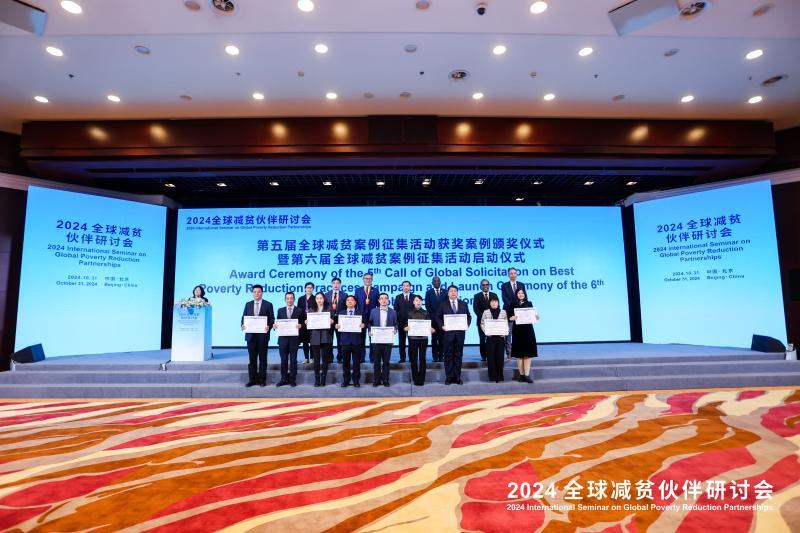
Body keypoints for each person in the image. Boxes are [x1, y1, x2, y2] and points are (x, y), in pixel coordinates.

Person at [240, 284, 274, 387]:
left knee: (263, 360)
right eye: (254, 292)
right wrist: (242, 325)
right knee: (252, 360)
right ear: (252, 293)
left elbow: (272, 318)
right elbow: (243, 318)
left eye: (259, 292)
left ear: (262, 293)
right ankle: (252, 380)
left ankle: (262, 380)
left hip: (263, 337)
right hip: (251, 337)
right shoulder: (248, 304)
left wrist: (269, 326)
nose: (256, 294)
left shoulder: (268, 304)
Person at [437, 285, 471, 385]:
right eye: (451, 291)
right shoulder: (442, 304)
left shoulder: (463, 304)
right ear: (448, 293)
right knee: (448, 356)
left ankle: (457, 377)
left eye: (455, 291)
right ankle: (449, 377)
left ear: (457, 293)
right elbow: (437, 317)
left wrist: (466, 324)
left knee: (458, 356)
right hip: (447, 334)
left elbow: (469, 317)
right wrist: (442, 326)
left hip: (460, 334)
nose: (453, 292)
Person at [507, 287, 539, 383]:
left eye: (522, 293)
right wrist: (511, 318)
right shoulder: (512, 304)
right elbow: (508, 317)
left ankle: (527, 375)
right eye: (519, 293)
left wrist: (536, 317)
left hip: (528, 330)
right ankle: (521, 375)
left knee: (527, 354)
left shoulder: (529, 303)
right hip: (517, 331)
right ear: (516, 294)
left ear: (525, 294)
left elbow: (534, 316)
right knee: (519, 354)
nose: (521, 294)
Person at [273, 291, 303, 387]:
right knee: (283, 360)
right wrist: (275, 326)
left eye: (291, 298)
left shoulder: (299, 310)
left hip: (294, 340)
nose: (289, 300)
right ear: (285, 300)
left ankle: (292, 379)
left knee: (293, 360)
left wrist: (301, 325)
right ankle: (283, 378)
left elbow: (303, 323)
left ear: (294, 299)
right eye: (287, 298)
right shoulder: (280, 310)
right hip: (283, 340)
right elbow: (277, 322)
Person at [306, 291, 335, 387]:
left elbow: (334, 322)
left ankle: (323, 378)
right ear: (315, 299)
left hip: (326, 337)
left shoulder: (329, 309)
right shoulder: (311, 310)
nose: (319, 300)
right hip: (315, 337)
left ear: (324, 299)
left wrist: (332, 321)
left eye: (321, 298)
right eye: (317, 298)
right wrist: (307, 322)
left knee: (325, 360)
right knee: (316, 360)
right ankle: (317, 379)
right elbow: (309, 325)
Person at [335, 295, 366, 387]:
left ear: (355, 302)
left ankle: (356, 381)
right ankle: (346, 380)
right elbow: (337, 325)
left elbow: (365, 324)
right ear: (345, 303)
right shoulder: (341, 313)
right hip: (345, 341)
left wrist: (363, 325)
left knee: (356, 363)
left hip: (357, 341)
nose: (350, 301)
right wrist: (336, 326)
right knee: (345, 363)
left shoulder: (360, 313)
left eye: (352, 300)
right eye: (348, 300)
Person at [369, 292, 397, 387]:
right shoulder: (373, 311)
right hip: (376, 340)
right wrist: (370, 331)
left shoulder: (393, 311)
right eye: (382, 298)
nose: (384, 300)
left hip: (388, 341)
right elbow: (370, 323)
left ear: (388, 300)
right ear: (379, 300)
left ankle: (385, 380)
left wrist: (395, 330)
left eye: (386, 298)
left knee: (386, 362)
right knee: (376, 362)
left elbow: (395, 324)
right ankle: (376, 380)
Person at [405, 294, 434, 386]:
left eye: (420, 300)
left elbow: (429, 324)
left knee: (422, 359)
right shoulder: (409, 313)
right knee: (413, 359)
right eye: (416, 300)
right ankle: (415, 379)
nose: (418, 302)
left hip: (423, 339)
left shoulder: (426, 312)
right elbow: (405, 324)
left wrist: (431, 329)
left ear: (422, 302)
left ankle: (421, 379)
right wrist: (405, 328)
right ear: (413, 302)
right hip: (413, 339)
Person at [480, 295, 508, 383]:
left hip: (500, 338)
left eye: (495, 301)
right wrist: (486, 331)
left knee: (500, 358)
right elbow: (482, 323)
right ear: (490, 303)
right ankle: (492, 377)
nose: (494, 303)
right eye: (492, 301)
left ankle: (500, 377)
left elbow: (506, 324)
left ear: (498, 302)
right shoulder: (486, 312)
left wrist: (504, 332)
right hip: (490, 338)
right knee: (491, 358)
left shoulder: (503, 312)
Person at [501, 268, 526, 357]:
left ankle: (519, 352)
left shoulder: (521, 285)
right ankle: (509, 352)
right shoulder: (504, 285)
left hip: (520, 313)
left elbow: (524, 297)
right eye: (511, 273)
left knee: (520, 333)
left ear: (517, 274)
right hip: (509, 312)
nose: (513, 275)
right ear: (508, 275)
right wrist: (514, 307)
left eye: (515, 273)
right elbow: (505, 299)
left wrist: (521, 308)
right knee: (508, 333)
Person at [355, 272, 379, 363]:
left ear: (372, 280)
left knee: (373, 339)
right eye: (366, 278)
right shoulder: (358, 290)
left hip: (372, 318)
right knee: (361, 339)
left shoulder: (375, 290)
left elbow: (378, 305)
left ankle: (373, 358)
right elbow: (355, 304)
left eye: (370, 278)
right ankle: (361, 358)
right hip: (361, 318)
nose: (368, 280)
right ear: (363, 279)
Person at [472, 279, 497, 362]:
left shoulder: (494, 295)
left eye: (486, 284)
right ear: (480, 286)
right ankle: (483, 355)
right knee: (482, 339)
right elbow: (475, 309)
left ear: (489, 285)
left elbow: (497, 307)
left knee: (492, 339)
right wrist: (484, 317)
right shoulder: (477, 296)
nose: (485, 286)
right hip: (481, 321)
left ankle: (492, 354)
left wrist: (492, 317)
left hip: (492, 321)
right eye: (483, 285)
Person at [424, 276, 447, 362]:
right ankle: (435, 356)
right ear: (432, 283)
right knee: (434, 339)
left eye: (438, 281)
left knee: (442, 339)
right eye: (435, 281)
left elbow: (446, 305)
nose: (436, 282)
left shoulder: (445, 292)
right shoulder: (428, 293)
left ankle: (441, 356)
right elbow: (427, 306)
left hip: (442, 320)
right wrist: (434, 317)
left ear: (440, 282)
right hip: (433, 320)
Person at [325, 277, 348, 363]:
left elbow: (346, 308)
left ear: (340, 284)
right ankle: (329, 357)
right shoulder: (326, 295)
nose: (336, 284)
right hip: (329, 319)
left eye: (337, 283)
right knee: (329, 339)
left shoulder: (344, 295)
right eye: (334, 283)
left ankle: (340, 357)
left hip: (340, 319)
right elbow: (325, 307)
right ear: (331, 284)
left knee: (340, 339)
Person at [393, 280, 415, 363]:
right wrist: (397, 322)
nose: (406, 287)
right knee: (401, 342)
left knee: (412, 342)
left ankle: (411, 358)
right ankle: (402, 358)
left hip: (412, 324)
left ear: (410, 287)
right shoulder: (398, 297)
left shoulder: (414, 296)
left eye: (407, 285)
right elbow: (395, 310)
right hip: (401, 323)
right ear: (402, 287)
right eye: (404, 285)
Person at [297, 282, 316, 364]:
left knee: (312, 341)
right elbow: (298, 311)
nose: (309, 289)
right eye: (308, 287)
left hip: (312, 323)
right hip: (303, 323)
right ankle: (306, 358)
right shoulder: (300, 299)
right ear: (305, 289)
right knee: (304, 342)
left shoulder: (315, 298)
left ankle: (312, 357)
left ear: (313, 289)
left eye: (311, 288)